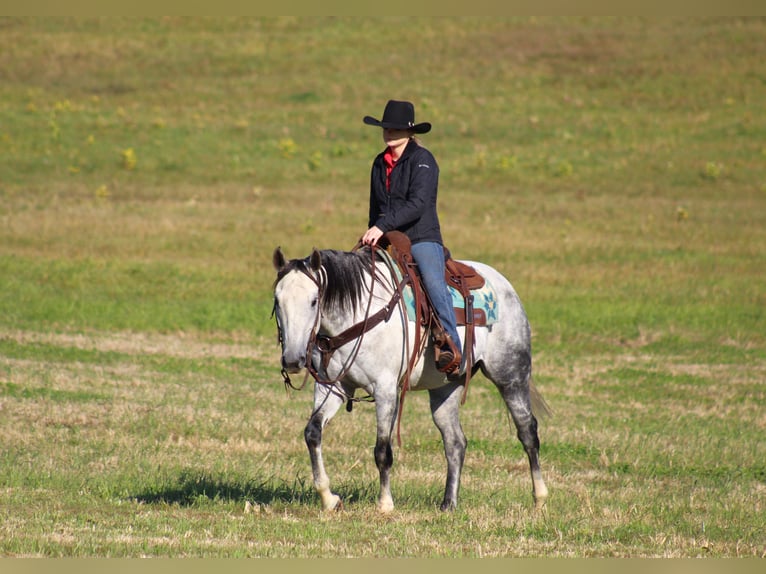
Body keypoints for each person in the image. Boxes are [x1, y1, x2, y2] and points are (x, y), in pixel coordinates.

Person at [360, 99, 461, 374]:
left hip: (421, 237)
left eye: (394, 129)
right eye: (385, 128)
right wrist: (373, 233)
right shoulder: (379, 163)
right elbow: (375, 206)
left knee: (431, 278)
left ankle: (452, 345)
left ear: (409, 132)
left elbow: (418, 204)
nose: (389, 133)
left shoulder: (423, 161)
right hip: (388, 237)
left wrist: (383, 226)